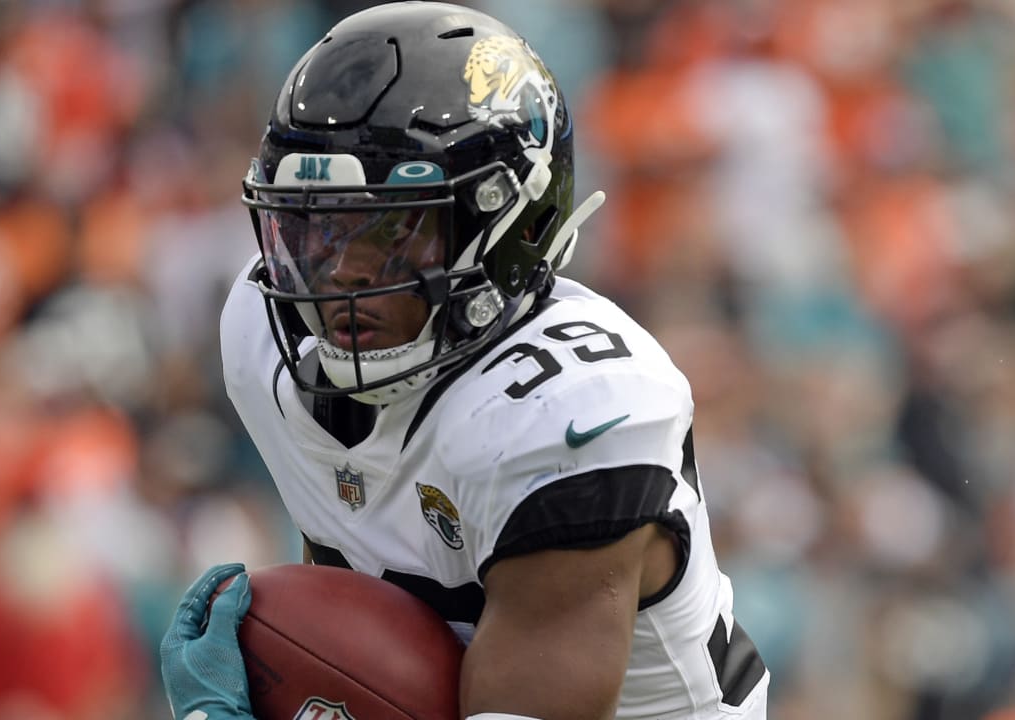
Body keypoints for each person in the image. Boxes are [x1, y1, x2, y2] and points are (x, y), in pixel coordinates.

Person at [158, 2, 770, 719]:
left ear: (512, 223)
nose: (342, 274)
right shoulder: (268, 341)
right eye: (315, 227)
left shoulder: (571, 412)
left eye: (392, 231)